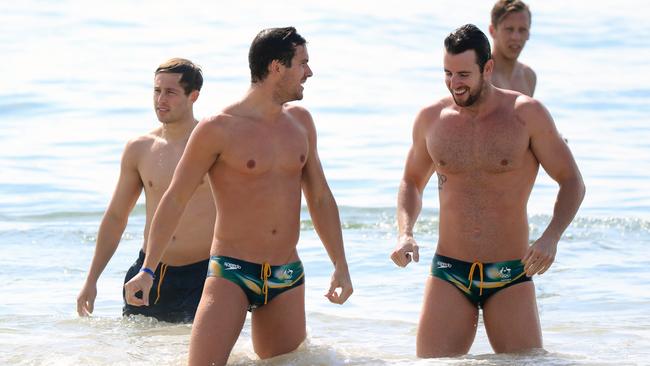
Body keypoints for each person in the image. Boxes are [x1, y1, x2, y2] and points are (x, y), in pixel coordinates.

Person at [124, 27, 353, 365]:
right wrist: (148, 269)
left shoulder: (302, 122)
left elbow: (319, 197)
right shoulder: (219, 128)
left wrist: (340, 263)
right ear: (277, 66)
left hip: (286, 275)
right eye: (302, 63)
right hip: (231, 273)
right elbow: (175, 199)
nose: (309, 72)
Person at [391, 24, 585, 357]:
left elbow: (572, 182)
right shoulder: (431, 119)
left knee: (526, 364)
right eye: (448, 74)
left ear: (488, 68)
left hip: (509, 272)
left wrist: (551, 237)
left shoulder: (526, 115)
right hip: (450, 272)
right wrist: (405, 233)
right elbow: (411, 181)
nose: (455, 84)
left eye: (464, 74)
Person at [77, 58, 215, 323]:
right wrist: (92, 279)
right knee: (141, 352)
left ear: (193, 96)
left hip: (203, 273)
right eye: (157, 90)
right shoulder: (140, 148)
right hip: (150, 272)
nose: (160, 99)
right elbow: (117, 216)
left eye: (171, 92)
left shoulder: (211, 146)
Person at [489, 0, 536, 96]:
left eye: (522, 30)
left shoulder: (528, 76)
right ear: (492, 30)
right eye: (509, 29)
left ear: (528, 34)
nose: (516, 37)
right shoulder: (481, 75)